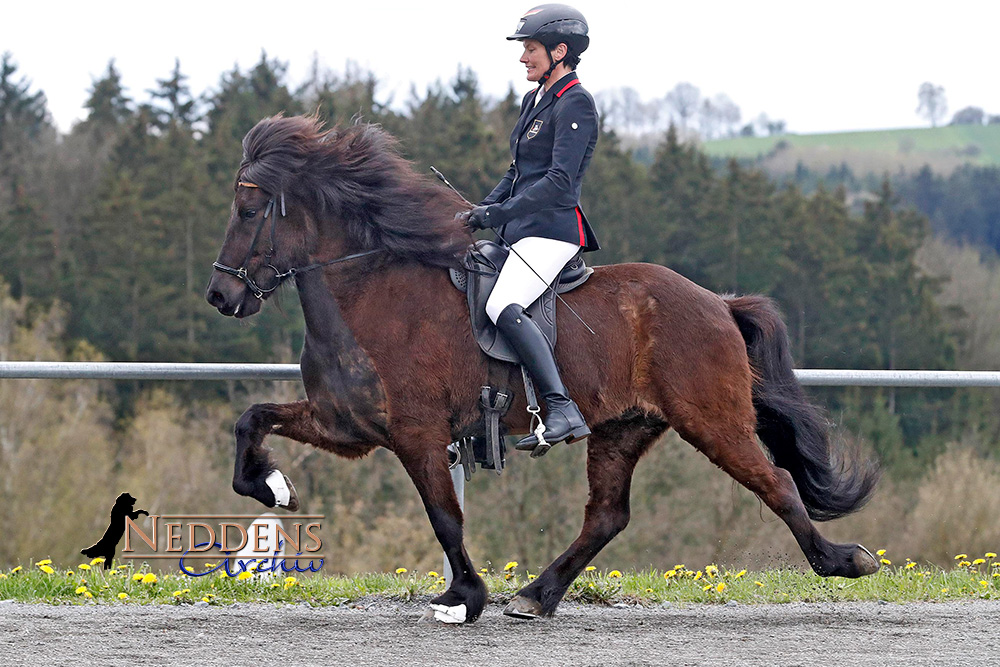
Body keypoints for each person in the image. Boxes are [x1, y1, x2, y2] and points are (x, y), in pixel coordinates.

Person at [460, 4, 600, 454]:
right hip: (519, 230)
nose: (523, 58)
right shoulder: (534, 100)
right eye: (524, 49)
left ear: (560, 51)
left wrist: (496, 216)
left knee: (504, 303)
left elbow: (559, 181)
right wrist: (483, 208)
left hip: (553, 231)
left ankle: (561, 408)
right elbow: (517, 171)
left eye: (532, 49)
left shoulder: (576, 103)